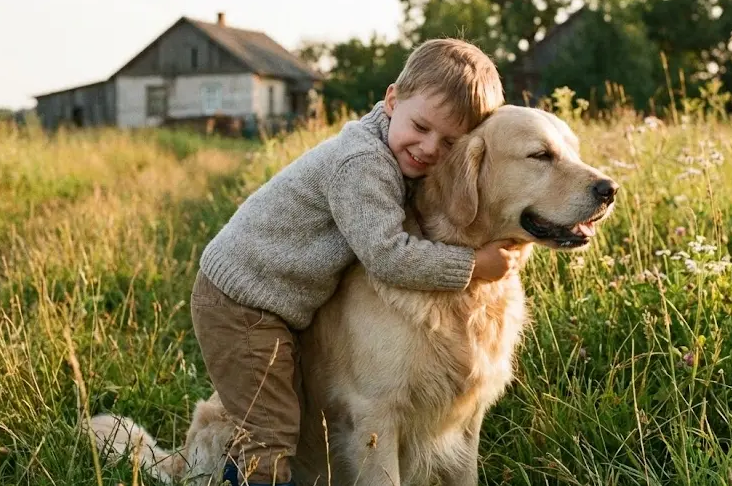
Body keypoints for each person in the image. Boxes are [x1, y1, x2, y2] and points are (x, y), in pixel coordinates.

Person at [190, 38, 518, 486]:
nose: (428, 148)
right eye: (421, 126)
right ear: (392, 100)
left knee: (287, 412)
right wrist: (472, 265)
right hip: (241, 300)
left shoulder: (397, 153)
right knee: (270, 429)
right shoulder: (362, 164)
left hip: (277, 300)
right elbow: (388, 256)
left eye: (449, 142)